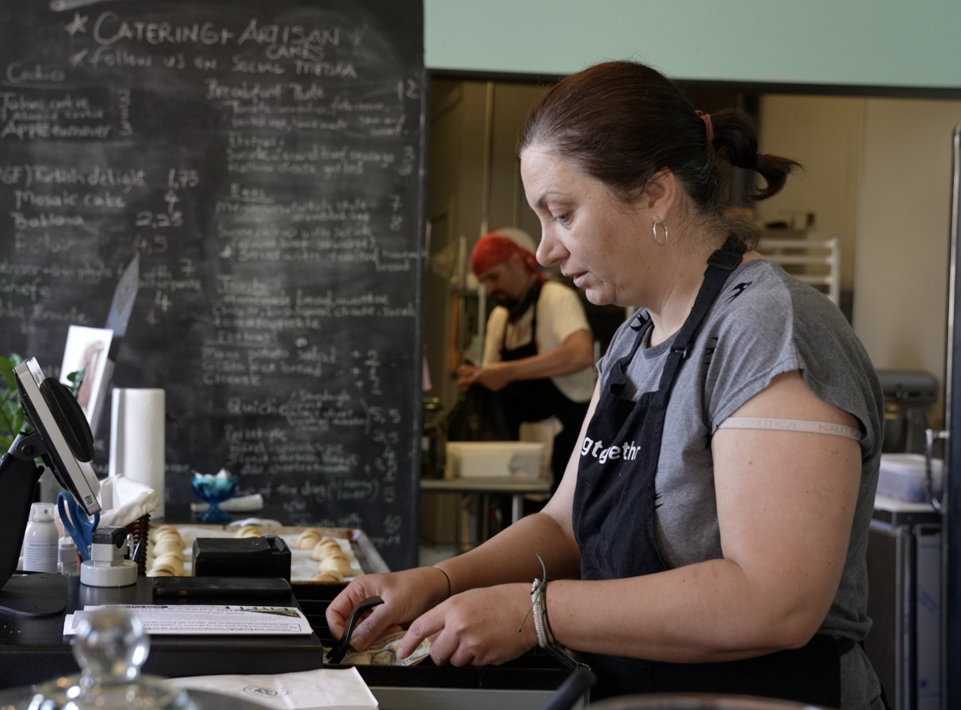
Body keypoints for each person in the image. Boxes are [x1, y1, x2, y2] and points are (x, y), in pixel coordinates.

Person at [329, 60, 885, 709]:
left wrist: (535, 613)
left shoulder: (768, 329)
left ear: (655, 191)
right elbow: (564, 527)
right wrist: (439, 579)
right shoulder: (631, 341)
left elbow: (774, 600)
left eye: (561, 212)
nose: (544, 251)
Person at [455, 227, 596, 480]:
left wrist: (509, 371)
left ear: (517, 264)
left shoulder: (555, 298)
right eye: (483, 282)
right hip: (518, 443)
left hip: (567, 438)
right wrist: (477, 377)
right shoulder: (499, 317)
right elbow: (493, 376)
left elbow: (581, 354)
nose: (488, 290)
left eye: (493, 278)